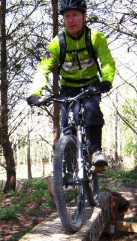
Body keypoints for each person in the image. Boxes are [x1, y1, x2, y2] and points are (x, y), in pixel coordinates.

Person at [27, 0, 115, 167]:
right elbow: (43, 68)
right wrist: (35, 92)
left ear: (84, 16)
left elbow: (107, 60)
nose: (71, 20)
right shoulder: (57, 43)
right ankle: (68, 168)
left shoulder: (95, 37)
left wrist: (107, 80)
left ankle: (96, 151)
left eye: (75, 15)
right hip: (68, 87)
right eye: (67, 16)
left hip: (91, 85)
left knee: (92, 110)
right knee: (67, 125)